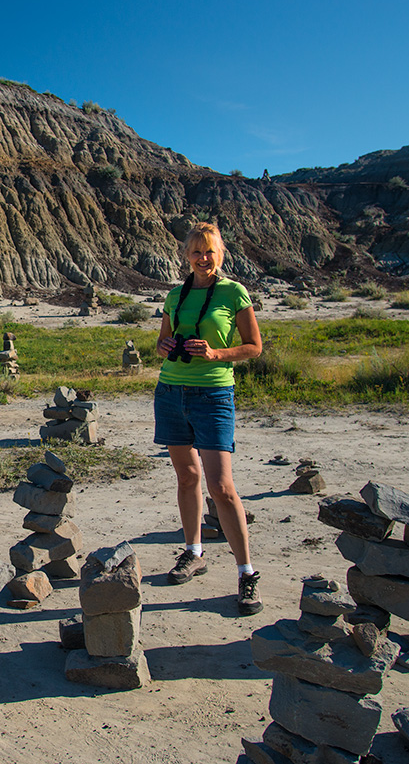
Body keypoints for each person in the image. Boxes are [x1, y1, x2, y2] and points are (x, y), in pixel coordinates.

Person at [154, 222, 264, 615]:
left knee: (222, 486)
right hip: (170, 392)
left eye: (210, 252)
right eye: (196, 252)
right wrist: (165, 345)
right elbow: (160, 343)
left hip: (214, 393)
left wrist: (216, 354)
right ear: (187, 256)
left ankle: (247, 573)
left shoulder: (234, 292)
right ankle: (193, 552)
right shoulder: (175, 294)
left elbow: (254, 347)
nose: (203, 258)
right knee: (187, 477)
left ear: (221, 254)